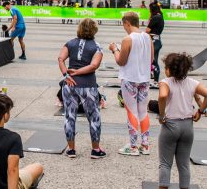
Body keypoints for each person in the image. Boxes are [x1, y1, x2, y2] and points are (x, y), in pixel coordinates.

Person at [149, 53, 207, 189]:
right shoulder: (192, 83)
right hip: (187, 126)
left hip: (170, 125)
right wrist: (200, 111)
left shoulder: (165, 82)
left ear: (168, 70)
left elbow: (162, 96)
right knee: (183, 164)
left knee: (165, 164)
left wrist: (161, 115)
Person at [57, 19, 106, 159]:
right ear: (94, 30)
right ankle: (95, 150)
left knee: (69, 117)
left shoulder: (70, 43)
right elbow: (93, 66)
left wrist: (66, 74)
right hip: (88, 86)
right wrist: (78, 72)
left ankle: (71, 150)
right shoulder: (97, 46)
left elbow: (60, 58)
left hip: (69, 85)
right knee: (93, 117)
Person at [109, 12, 153, 156]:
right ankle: (145, 145)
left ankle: (133, 147)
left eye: (124, 25)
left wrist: (115, 50)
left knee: (131, 111)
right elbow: (151, 59)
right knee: (143, 111)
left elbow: (121, 61)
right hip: (144, 79)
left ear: (127, 23)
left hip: (129, 78)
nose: (124, 28)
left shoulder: (127, 39)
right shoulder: (148, 37)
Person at [146, 2, 165, 86]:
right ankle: (155, 79)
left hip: (153, 40)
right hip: (157, 40)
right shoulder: (159, 16)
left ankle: (155, 80)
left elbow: (147, 30)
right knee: (154, 60)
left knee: (153, 61)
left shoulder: (155, 17)